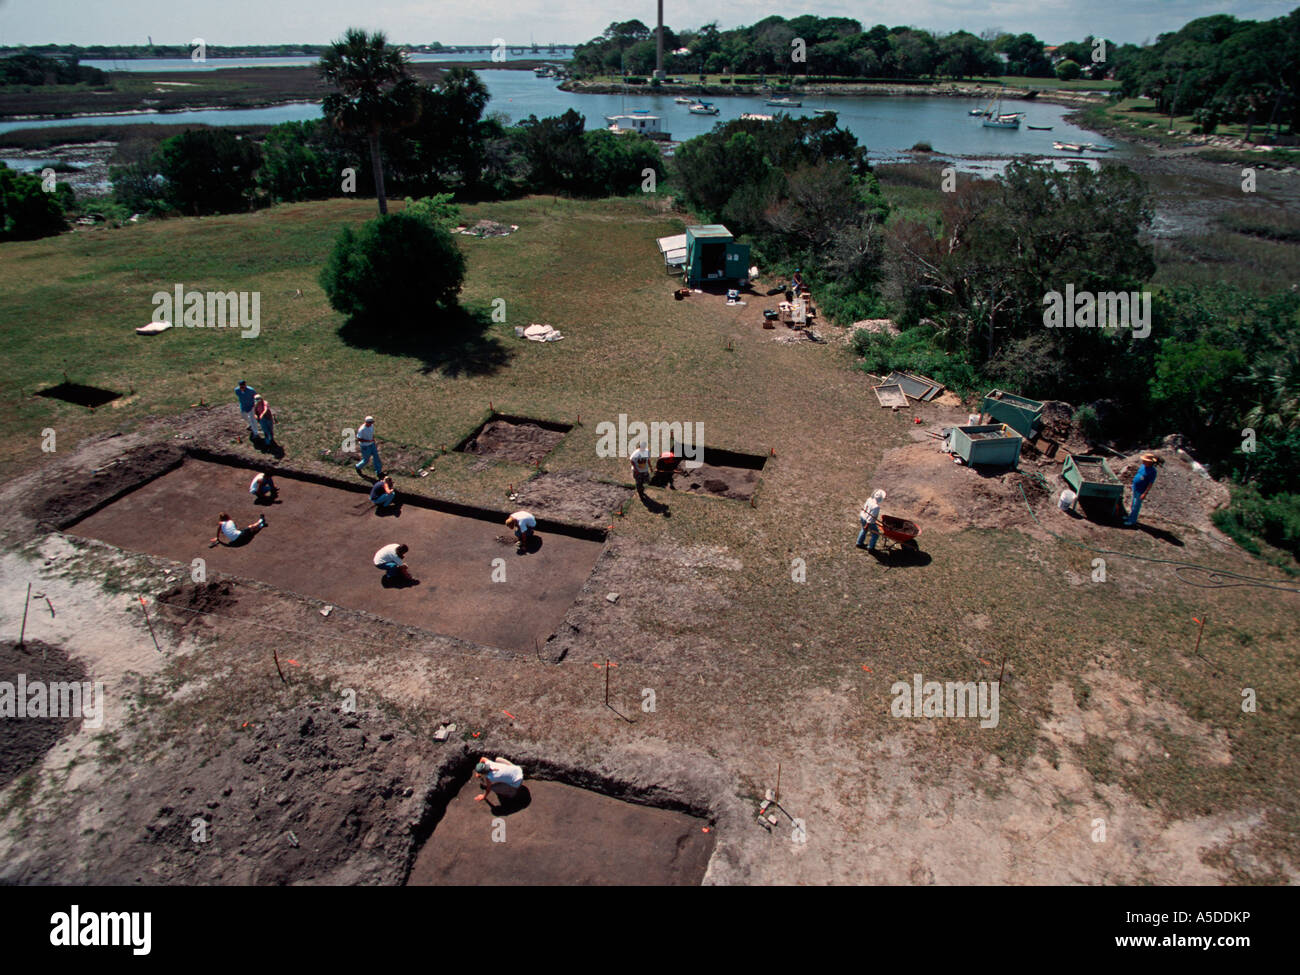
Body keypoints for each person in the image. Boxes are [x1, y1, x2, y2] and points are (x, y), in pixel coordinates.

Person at [1125, 452, 1159, 527]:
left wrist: (1145, 493)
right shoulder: (1143, 466)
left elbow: (1150, 483)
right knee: (1133, 503)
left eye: (1145, 461)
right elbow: (1138, 474)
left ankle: (1132, 521)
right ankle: (1130, 517)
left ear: (1150, 462)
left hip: (1141, 490)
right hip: (1135, 487)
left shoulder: (1153, 471)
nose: (1143, 461)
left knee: (1136, 506)